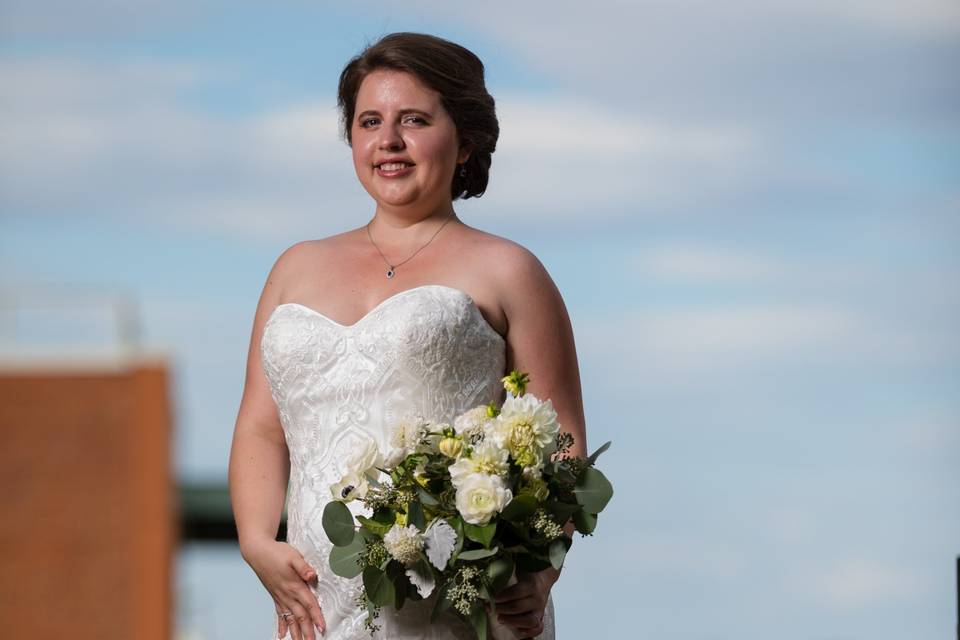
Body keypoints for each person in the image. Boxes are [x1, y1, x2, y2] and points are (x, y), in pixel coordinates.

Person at [228, 32, 587, 640]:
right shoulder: (293, 267)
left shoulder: (509, 270)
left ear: (466, 138)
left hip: (458, 607)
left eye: (413, 119)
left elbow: (562, 445)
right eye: (370, 121)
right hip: (315, 608)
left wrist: (536, 577)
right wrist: (256, 541)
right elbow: (262, 427)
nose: (388, 141)